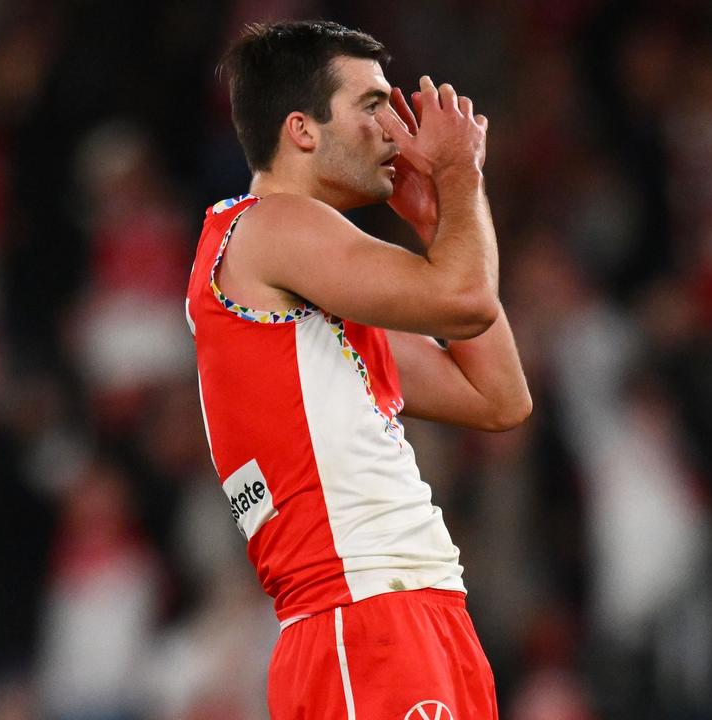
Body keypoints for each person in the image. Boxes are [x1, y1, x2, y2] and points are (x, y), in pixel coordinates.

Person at [186, 20, 531, 719]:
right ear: (303, 131)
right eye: (371, 105)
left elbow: (499, 397)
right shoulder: (273, 224)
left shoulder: (315, 310)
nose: (394, 128)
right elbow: (465, 298)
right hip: (364, 621)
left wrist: (440, 222)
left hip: (413, 614)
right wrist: (461, 171)